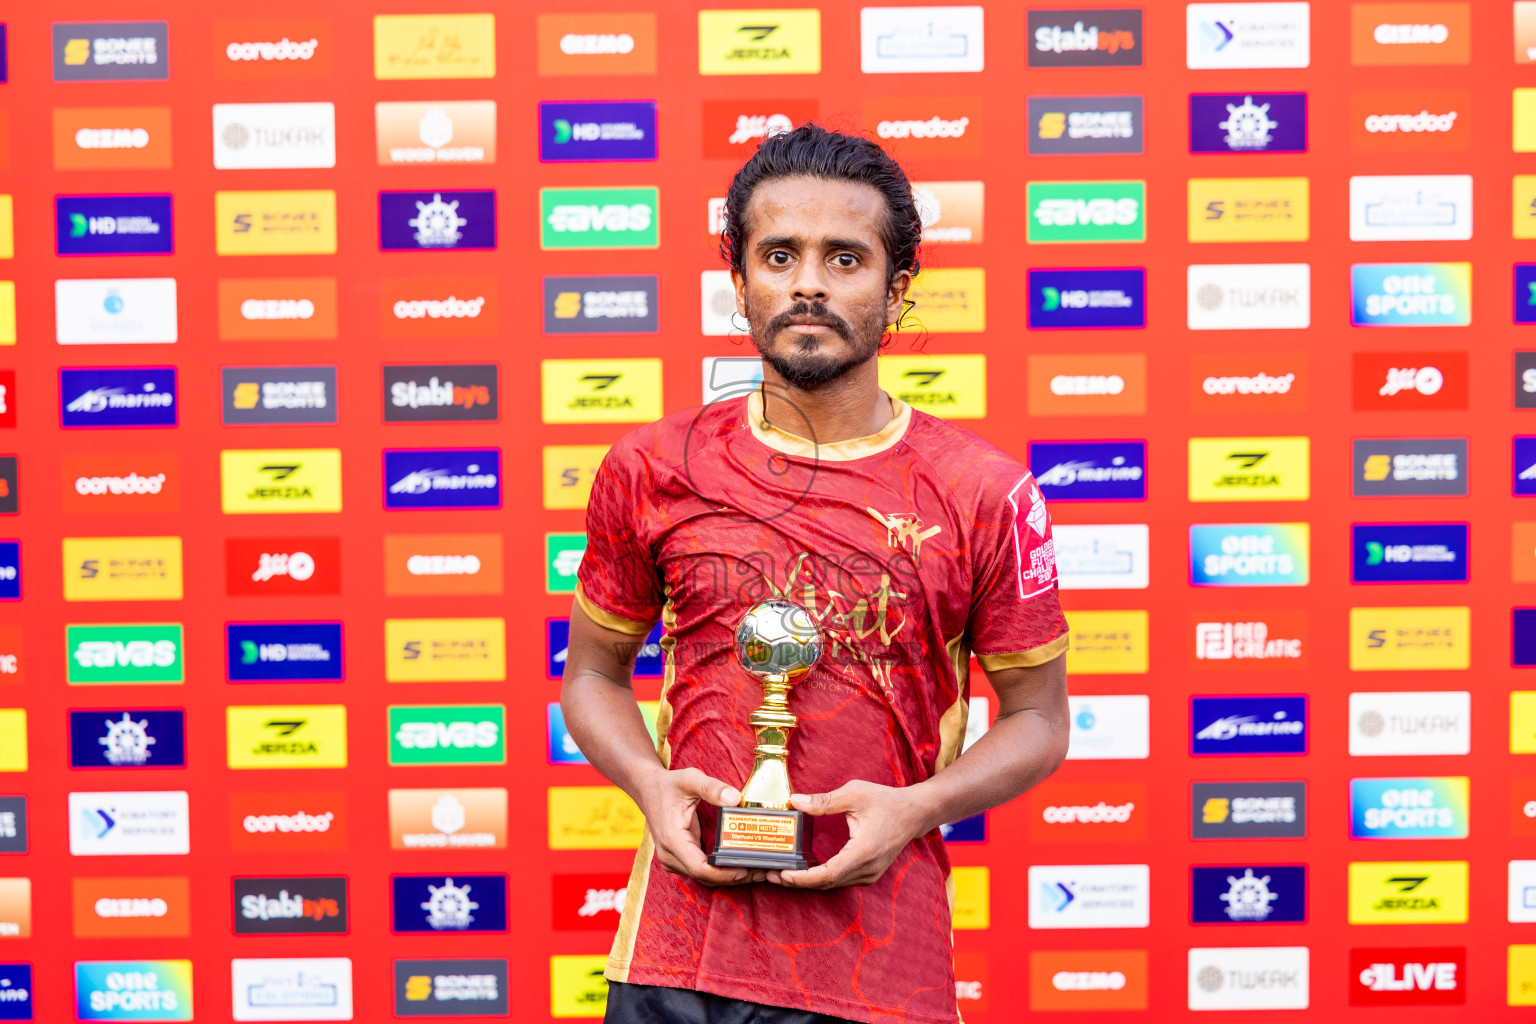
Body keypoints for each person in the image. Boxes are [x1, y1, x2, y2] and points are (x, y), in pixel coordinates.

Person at [561, 124, 1070, 1024]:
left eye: (845, 258)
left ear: (896, 290)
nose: (807, 284)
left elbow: (1037, 720)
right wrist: (649, 783)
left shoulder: (984, 491)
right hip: (677, 958)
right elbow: (594, 675)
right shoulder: (650, 466)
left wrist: (919, 808)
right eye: (780, 255)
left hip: (881, 966)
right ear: (739, 281)